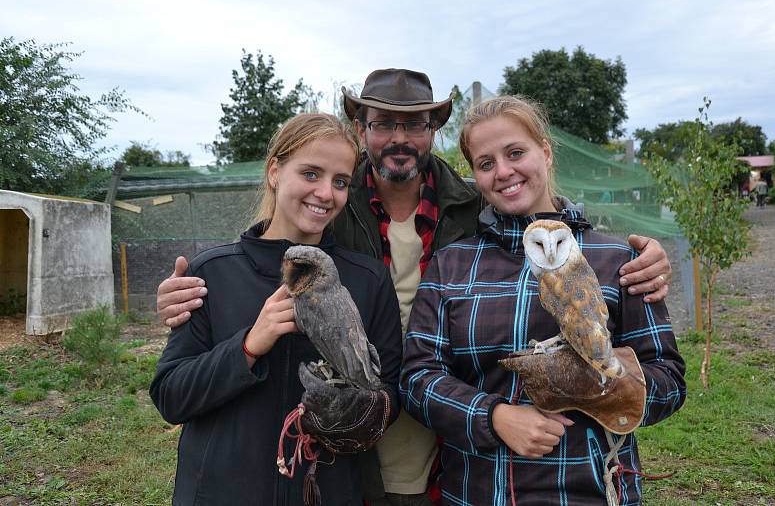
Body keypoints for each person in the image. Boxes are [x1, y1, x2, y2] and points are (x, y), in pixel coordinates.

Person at [155, 69, 674, 506]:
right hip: (356, 463)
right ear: (362, 129)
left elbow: (537, 214)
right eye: (383, 123)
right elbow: (271, 241)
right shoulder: (332, 212)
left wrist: (627, 261)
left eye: (416, 124)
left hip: (464, 461)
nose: (399, 138)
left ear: (434, 132)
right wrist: (211, 290)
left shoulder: (478, 213)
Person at [400, 96, 686, 505]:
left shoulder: (615, 260)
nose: (503, 171)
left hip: (585, 490)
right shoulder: (452, 265)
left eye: (515, 153)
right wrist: (493, 416)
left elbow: (670, 381)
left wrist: (600, 381)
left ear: (546, 153)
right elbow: (416, 378)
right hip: (477, 490)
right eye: (485, 163)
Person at [149, 113, 403, 505]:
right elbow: (172, 397)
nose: (325, 192)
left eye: (340, 182)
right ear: (274, 172)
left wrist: (353, 410)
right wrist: (248, 346)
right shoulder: (212, 273)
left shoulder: (367, 278)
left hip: (325, 491)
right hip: (222, 492)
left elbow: (390, 393)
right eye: (310, 173)